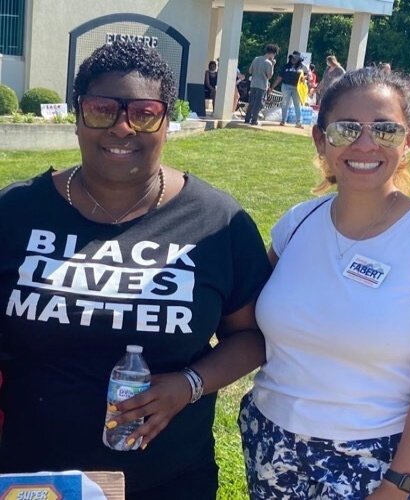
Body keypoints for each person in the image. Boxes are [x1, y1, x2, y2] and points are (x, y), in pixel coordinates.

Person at [0, 41, 272, 499]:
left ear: (167, 121)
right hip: (32, 476)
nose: (122, 127)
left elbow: (251, 337)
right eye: (102, 109)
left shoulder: (217, 223)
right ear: (78, 115)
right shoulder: (16, 212)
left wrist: (190, 385)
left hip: (167, 478)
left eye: (144, 113)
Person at [238, 68, 410, 499]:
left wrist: (399, 482)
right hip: (270, 438)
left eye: (385, 130)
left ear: (408, 140)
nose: (365, 143)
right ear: (321, 140)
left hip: (371, 458)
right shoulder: (296, 224)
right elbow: (254, 322)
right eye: (346, 128)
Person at [244, 43, 279, 125]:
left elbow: (250, 71)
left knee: (251, 102)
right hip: (262, 85)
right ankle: (254, 120)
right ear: (273, 53)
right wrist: (273, 65)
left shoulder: (256, 59)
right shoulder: (269, 63)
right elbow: (270, 76)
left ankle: (247, 118)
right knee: (259, 103)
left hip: (253, 84)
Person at [271, 52, 308, 128]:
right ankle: (283, 120)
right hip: (286, 86)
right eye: (292, 58)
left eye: (295, 58)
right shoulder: (286, 66)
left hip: (297, 88)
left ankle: (298, 122)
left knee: (297, 105)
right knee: (285, 104)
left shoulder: (302, 67)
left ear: (298, 59)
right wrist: (273, 87)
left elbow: (308, 75)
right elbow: (280, 77)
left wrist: (305, 77)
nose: (293, 60)